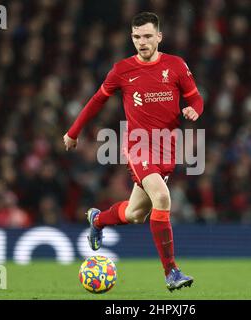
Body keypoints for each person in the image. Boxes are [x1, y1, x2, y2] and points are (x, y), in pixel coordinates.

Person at [63, 12, 203, 291]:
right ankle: (171, 272)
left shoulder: (176, 66)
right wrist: (73, 132)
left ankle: (98, 219)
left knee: (137, 214)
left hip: (167, 150)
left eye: (148, 36)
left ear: (159, 37)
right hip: (138, 147)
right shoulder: (122, 70)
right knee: (162, 198)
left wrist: (193, 110)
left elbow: (196, 97)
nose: (142, 42)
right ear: (132, 38)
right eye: (137, 37)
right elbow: (96, 101)